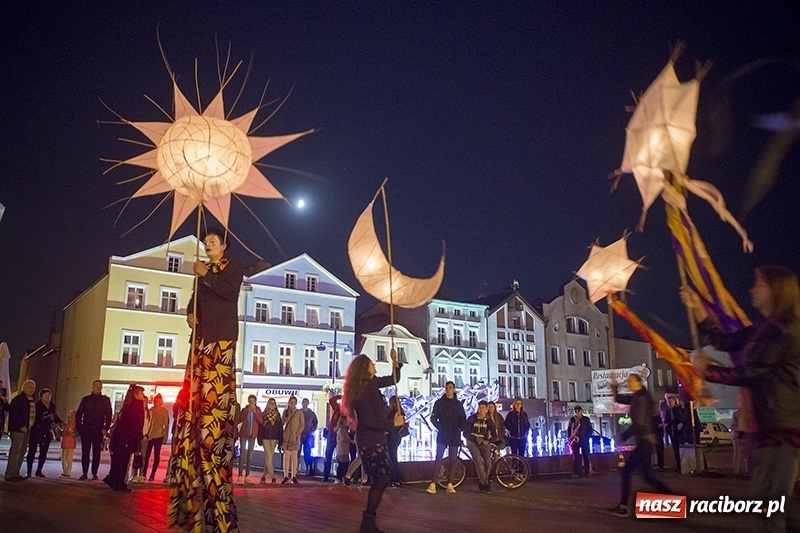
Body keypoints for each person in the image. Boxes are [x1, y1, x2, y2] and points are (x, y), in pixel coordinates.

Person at [683, 266, 800, 531]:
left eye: (759, 284)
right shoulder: (764, 329)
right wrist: (699, 312)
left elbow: (751, 373)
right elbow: (726, 341)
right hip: (769, 429)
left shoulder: (785, 331)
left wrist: (708, 370)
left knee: (766, 513)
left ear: (776, 290)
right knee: (785, 512)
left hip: (781, 433)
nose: (752, 289)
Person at [168, 228, 244, 532]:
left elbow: (229, 293)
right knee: (194, 403)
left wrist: (206, 274)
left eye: (213, 240)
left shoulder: (231, 267)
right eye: (206, 240)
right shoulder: (202, 272)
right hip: (200, 343)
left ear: (223, 245)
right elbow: (195, 301)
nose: (208, 243)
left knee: (215, 406)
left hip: (221, 344)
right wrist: (189, 312)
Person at [343, 352, 404, 533]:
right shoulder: (363, 392)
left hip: (377, 439)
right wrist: (393, 424)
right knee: (383, 476)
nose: (375, 367)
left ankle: (368, 521)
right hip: (369, 440)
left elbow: (394, 379)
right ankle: (368, 520)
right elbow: (369, 420)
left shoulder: (373, 384)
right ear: (365, 368)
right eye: (372, 364)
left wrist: (395, 362)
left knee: (383, 476)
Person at [608, 373, 673, 517]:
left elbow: (640, 423)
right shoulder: (638, 395)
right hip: (643, 441)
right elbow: (619, 399)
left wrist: (623, 436)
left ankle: (672, 499)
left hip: (644, 441)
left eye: (630, 381)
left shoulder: (641, 398)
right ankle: (623, 506)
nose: (628, 383)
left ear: (637, 382)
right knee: (637, 474)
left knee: (645, 476)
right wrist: (614, 385)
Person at [425, 381, 466, 495]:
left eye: (450, 388)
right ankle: (433, 483)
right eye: (446, 388)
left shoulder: (458, 404)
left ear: (453, 390)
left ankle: (450, 483)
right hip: (443, 434)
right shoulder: (439, 403)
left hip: (454, 434)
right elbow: (433, 418)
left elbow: (463, 419)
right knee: (439, 458)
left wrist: (459, 429)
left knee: (453, 460)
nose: (447, 390)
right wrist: (440, 428)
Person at [104, 385, 146, 492]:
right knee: (123, 461)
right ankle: (119, 482)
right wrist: (137, 438)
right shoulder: (135, 407)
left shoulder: (128, 405)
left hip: (121, 438)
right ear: (136, 395)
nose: (143, 396)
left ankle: (113, 478)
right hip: (127, 438)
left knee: (118, 460)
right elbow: (135, 425)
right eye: (141, 393)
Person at [75, 379, 112, 481]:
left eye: (100, 386)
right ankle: (84, 472)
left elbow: (108, 415)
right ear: (92, 387)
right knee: (85, 451)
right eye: (96, 385)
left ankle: (94, 473)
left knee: (97, 452)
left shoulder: (105, 400)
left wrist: (105, 428)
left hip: (98, 429)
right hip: (86, 429)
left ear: (102, 387)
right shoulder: (86, 399)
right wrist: (80, 428)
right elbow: (79, 414)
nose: (98, 387)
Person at [4, 379, 36, 482]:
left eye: (33, 387)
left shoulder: (31, 400)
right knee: (15, 452)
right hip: (19, 429)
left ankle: (16, 473)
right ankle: (10, 474)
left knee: (21, 452)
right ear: (24, 388)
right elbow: (15, 414)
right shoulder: (19, 399)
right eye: (30, 387)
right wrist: (21, 425)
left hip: (27, 429)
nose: (32, 389)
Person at [26, 388, 63, 478]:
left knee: (43, 452)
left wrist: (60, 422)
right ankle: (29, 471)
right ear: (41, 396)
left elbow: (55, 416)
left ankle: (39, 471)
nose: (47, 397)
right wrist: (45, 416)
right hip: (36, 430)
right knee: (32, 451)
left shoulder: (52, 406)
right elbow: (34, 416)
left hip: (46, 430)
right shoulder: (36, 405)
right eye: (45, 395)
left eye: (49, 395)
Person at [464, 400, 496, 493]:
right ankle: (486, 483)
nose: (480, 410)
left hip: (484, 443)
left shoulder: (488, 421)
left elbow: (494, 434)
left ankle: (482, 482)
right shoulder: (472, 419)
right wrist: (474, 438)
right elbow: (465, 432)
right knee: (479, 463)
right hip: (473, 442)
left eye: (483, 408)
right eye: (479, 407)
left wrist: (489, 441)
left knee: (488, 463)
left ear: (486, 409)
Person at [143, 393, 169, 482]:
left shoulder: (164, 411)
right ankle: (144, 473)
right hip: (150, 435)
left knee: (156, 455)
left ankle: (152, 474)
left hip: (159, 435)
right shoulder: (151, 410)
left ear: (161, 401)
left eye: (157, 400)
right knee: (147, 455)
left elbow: (166, 424)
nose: (155, 402)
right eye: (155, 400)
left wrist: (165, 436)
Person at [237, 394, 263, 484]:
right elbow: (240, 419)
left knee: (250, 456)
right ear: (248, 401)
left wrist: (255, 412)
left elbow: (261, 421)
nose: (252, 403)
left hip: (252, 435)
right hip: (244, 434)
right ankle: (240, 476)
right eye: (250, 401)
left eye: (253, 401)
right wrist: (246, 412)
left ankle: (247, 475)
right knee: (242, 454)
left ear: (255, 402)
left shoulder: (258, 410)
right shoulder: (245, 409)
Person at [258, 397, 283, 484]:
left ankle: (263, 477)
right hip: (265, 437)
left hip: (274, 438)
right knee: (269, 457)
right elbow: (260, 428)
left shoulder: (278, 416)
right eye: (270, 403)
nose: (272, 405)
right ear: (268, 404)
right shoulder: (264, 415)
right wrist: (259, 438)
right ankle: (273, 477)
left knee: (269, 458)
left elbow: (280, 429)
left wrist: (280, 440)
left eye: (274, 403)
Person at [281, 395, 304, 484]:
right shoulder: (285, 412)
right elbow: (282, 422)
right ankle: (285, 475)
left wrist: (297, 434)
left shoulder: (299, 413)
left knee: (294, 457)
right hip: (286, 437)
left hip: (295, 438)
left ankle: (293, 475)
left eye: (294, 402)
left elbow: (302, 425)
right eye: (291, 402)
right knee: (286, 457)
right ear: (289, 403)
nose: (292, 404)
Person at [322, 394, 343, 482]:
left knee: (340, 457)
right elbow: (331, 400)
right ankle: (326, 476)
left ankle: (339, 476)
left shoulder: (346, 412)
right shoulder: (338, 409)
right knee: (328, 456)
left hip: (339, 436)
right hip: (332, 435)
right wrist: (341, 396)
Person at [567, 405, 592, 478]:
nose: (577, 413)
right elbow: (569, 430)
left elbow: (590, 430)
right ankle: (577, 473)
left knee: (586, 456)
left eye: (578, 411)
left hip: (584, 440)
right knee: (576, 457)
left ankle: (587, 472)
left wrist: (586, 438)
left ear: (581, 411)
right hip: (575, 441)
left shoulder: (586, 419)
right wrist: (569, 438)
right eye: (575, 411)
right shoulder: (572, 420)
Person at [386, 395, 405, 487]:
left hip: (391, 436)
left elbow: (392, 424)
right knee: (393, 457)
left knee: (392, 457)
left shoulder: (393, 412)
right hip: (396, 436)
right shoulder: (400, 411)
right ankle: (397, 478)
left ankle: (395, 478)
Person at [663, 396, 683, 472]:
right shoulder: (668, 412)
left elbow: (676, 420)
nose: (669, 403)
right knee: (675, 450)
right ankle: (678, 466)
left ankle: (681, 466)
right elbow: (666, 421)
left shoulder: (678, 410)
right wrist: (668, 430)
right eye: (668, 402)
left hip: (678, 433)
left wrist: (670, 424)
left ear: (674, 402)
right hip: (672, 433)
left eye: (671, 402)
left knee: (679, 449)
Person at [300, 397, 319, 476]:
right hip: (299, 434)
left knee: (307, 453)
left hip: (308, 435)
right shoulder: (299, 412)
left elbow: (315, 423)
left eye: (306, 402)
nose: (304, 404)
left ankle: (308, 468)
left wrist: (311, 430)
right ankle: (296, 469)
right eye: (303, 402)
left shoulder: (311, 413)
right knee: (297, 452)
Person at [731, 408, 749, 478]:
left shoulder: (737, 414)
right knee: (740, 454)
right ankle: (738, 471)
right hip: (740, 436)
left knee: (739, 455)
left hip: (740, 436)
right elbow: (733, 426)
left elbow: (733, 426)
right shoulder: (742, 414)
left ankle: (736, 471)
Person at [335, 414, 353, 483]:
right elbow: (343, 439)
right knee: (342, 464)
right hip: (342, 449)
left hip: (344, 448)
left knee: (344, 463)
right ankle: (339, 477)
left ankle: (342, 477)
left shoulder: (344, 430)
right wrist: (351, 441)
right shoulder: (341, 430)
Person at [61, 409, 78, 478]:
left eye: (71, 416)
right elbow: (63, 433)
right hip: (65, 443)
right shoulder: (66, 424)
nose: (69, 418)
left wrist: (72, 433)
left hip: (70, 443)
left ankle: (67, 472)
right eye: (68, 416)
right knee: (63, 458)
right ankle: (65, 471)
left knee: (69, 458)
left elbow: (76, 434)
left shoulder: (75, 425)